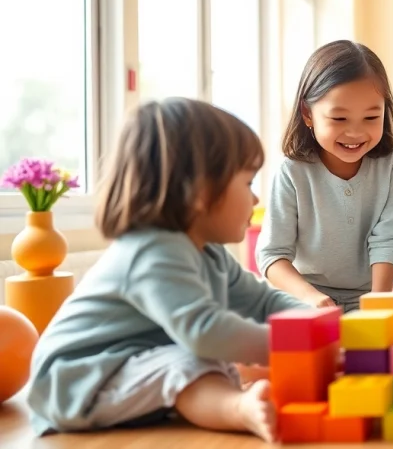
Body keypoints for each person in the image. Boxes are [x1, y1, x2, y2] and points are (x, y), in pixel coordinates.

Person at [27, 98, 307, 441]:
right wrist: (300, 344)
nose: (255, 200)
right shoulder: (153, 251)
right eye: (248, 183)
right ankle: (238, 408)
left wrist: (324, 326)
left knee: (204, 359)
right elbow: (206, 331)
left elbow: (263, 302)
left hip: (128, 364)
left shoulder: (210, 254)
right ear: (202, 193)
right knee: (193, 359)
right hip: (75, 379)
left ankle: (230, 400)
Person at [257, 41, 393, 311]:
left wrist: (378, 303)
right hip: (306, 297)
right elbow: (272, 254)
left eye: (371, 117)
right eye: (339, 119)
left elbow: (389, 236)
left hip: (371, 294)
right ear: (308, 113)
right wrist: (311, 297)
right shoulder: (293, 171)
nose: (355, 133)